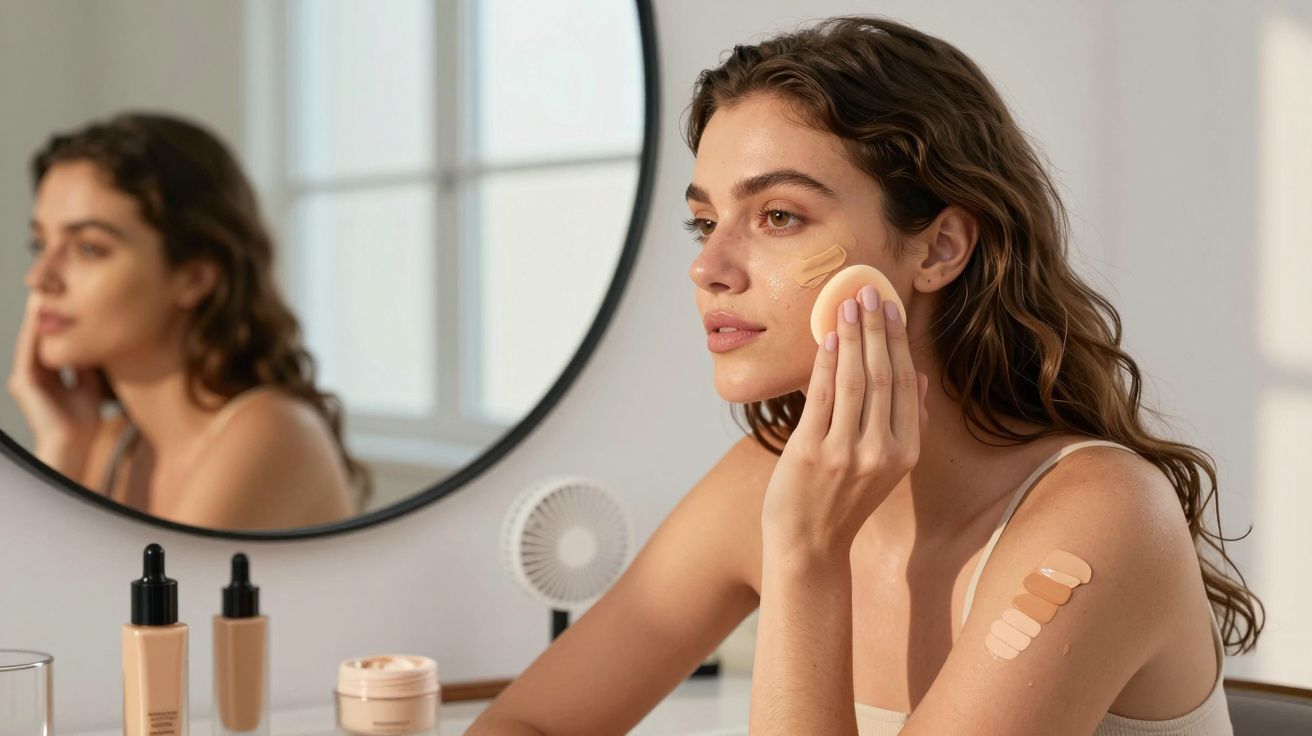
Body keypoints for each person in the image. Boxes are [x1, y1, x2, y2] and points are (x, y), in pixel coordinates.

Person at [468, 16, 1260, 735]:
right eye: (704, 222)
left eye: (778, 216)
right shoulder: (767, 480)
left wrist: (808, 556)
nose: (708, 266)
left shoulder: (1099, 518)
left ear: (940, 248)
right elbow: (523, 726)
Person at [9, 112, 369, 530]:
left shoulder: (272, 433)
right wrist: (62, 446)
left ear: (195, 277)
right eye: (40, 244)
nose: (39, 278)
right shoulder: (110, 444)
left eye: (89, 248)